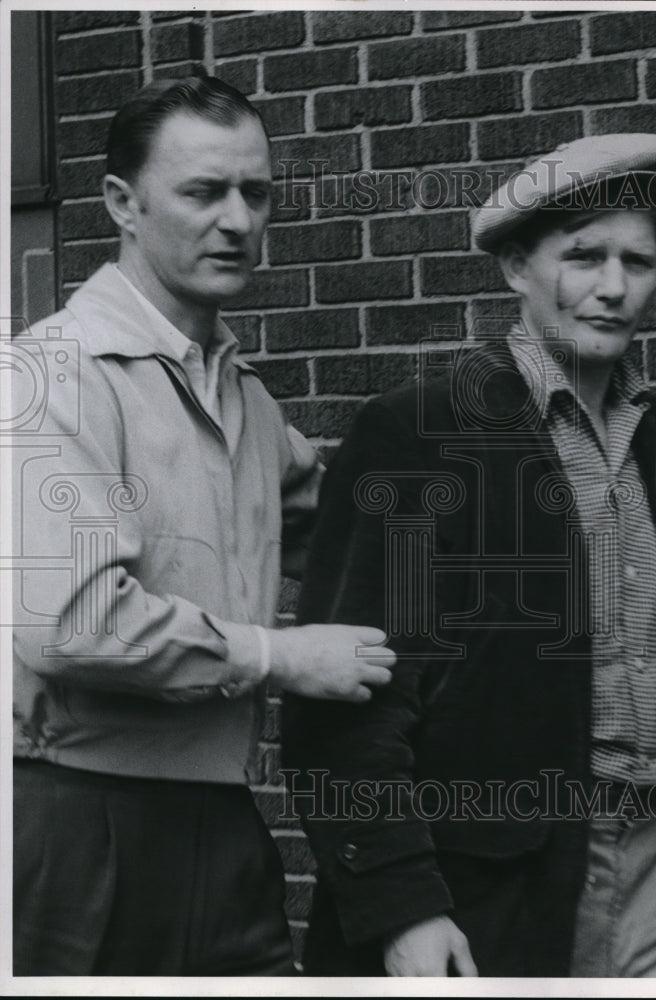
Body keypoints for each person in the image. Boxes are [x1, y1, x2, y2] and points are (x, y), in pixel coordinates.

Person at [281, 133, 656, 977]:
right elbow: (347, 708)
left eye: (637, 262)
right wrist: (403, 905)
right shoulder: (423, 432)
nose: (613, 287)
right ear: (515, 269)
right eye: (584, 257)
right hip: (500, 885)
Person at [12, 74, 394, 976]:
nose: (236, 220)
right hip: (71, 820)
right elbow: (71, 622)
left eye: (254, 193)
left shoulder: (248, 404)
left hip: (221, 819)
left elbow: (357, 533)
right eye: (203, 191)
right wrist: (280, 655)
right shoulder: (51, 375)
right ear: (122, 203)